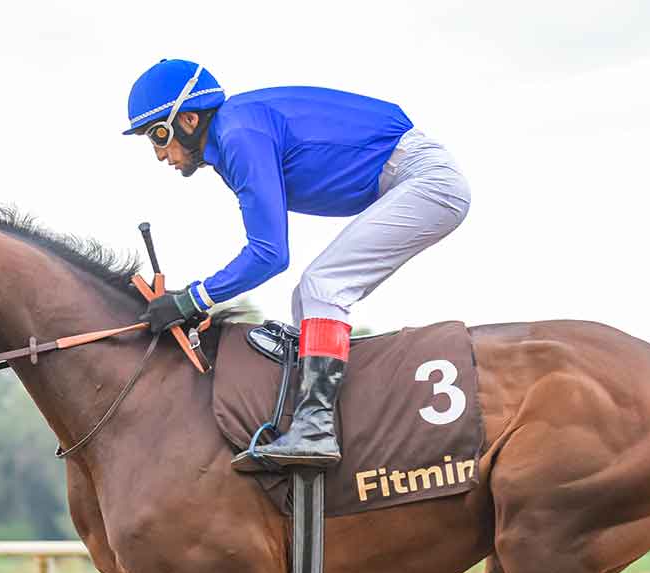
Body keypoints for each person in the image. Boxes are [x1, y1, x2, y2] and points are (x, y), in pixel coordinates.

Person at [126, 59, 471, 471]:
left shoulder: (238, 134)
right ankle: (318, 422)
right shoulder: (234, 135)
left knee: (322, 286)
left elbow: (269, 254)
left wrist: (191, 300)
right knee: (307, 301)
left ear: (188, 119)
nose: (159, 154)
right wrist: (195, 299)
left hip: (425, 180)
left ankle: (316, 430)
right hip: (411, 176)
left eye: (158, 135)